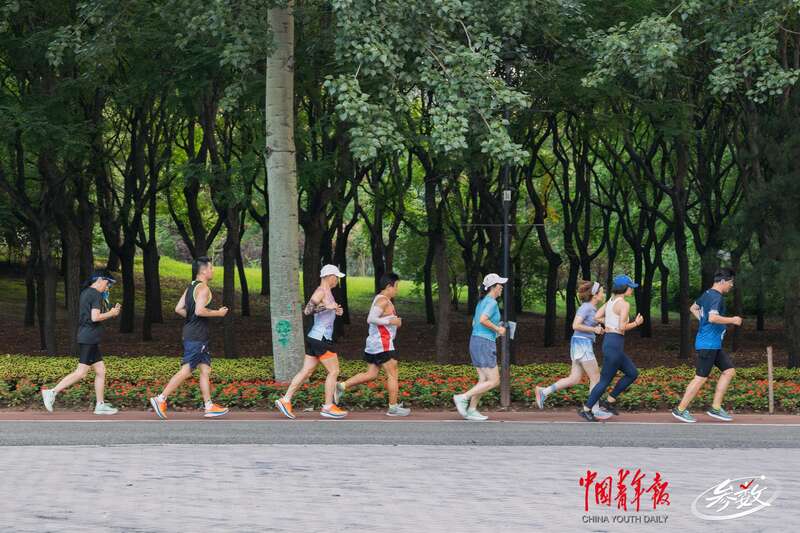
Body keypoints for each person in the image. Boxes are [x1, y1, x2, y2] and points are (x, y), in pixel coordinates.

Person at [149, 256, 229, 419]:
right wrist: (218, 313)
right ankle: (160, 398)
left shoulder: (191, 286)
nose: (213, 270)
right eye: (211, 268)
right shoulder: (204, 289)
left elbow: (179, 308)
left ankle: (209, 406)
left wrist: (192, 318)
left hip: (192, 333)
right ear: (204, 271)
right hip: (197, 336)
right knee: (186, 370)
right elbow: (199, 311)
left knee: (205, 369)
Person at [41, 270, 121, 415]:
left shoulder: (86, 292)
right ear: (99, 280)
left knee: (101, 371)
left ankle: (100, 405)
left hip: (89, 338)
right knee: (81, 372)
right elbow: (95, 317)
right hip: (89, 338)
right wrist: (111, 313)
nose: (108, 287)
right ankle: (51, 392)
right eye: (107, 283)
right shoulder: (95, 294)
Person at [275, 264, 349, 419]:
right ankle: (328, 407)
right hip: (321, 338)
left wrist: (336, 310)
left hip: (315, 337)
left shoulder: (328, 292)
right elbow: (307, 310)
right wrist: (326, 307)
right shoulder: (320, 291)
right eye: (336, 277)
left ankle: (285, 399)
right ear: (330, 277)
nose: (337, 280)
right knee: (334, 371)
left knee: (306, 371)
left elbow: (324, 310)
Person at [334, 272, 410, 416]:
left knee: (371, 374)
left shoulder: (382, 299)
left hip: (375, 343)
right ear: (388, 286)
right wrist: (390, 321)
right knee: (393, 374)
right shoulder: (383, 301)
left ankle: (341, 386)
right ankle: (393, 408)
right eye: (396, 286)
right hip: (382, 344)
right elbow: (371, 319)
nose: (397, 290)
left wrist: (394, 322)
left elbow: (380, 319)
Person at [672, 268, 741, 423]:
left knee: (729, 371)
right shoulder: (716, 297)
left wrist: (703, 321)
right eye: (730, 282)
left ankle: (716, 407)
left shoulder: (707, 294)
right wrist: (733, 320)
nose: (731, 285)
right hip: (708, 344)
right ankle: (680, 409)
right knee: (700, 378)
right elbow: (713, 318)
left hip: (713, 345)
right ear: (722, 281)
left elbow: (693, 308)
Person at [536, 280, 612, 419]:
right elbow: (575, 325)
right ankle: (594, 410)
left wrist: (597, 329)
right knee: (596, 377)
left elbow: (588, 325)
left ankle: (544, 392)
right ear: (595, 294)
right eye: (602, 292)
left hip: (580, 343)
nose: (603, 294)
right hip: (582, 344)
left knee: (574, 379)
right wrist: (594, 329)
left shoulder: (592, 308)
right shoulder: (586, 307)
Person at [578, 274, 644, 422]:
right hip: (614, 344)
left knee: (632, 373)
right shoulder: (624, 304)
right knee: (604, 380)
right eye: (630, 287)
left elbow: (597, 317)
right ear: (624, 288)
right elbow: (622, 327)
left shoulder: (610, 301)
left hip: (611, 343)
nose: (631, 290)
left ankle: (609, 401)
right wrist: (636, 323)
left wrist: (608, 323)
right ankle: (586, 409)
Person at [453, 273, 507, 421]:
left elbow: (474, 323)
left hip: (476, 341)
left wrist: (493, 331)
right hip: (484, 343)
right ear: (493, 287)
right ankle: (462, 397)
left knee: (483, 379)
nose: (502, 287)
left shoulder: (481, 302)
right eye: (499, 285)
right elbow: (483, 320)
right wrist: (498, 329)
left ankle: (472, 409)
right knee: (494, 381)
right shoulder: (492, 303)